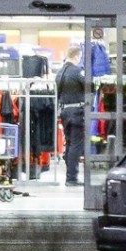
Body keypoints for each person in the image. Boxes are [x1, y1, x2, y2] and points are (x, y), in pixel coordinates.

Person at [56, 46, 86, 186]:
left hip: (65, 112)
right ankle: (72, 178)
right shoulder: (76, 71)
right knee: (76, 144)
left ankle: (70, 176)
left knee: (69, 143)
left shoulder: (60, 72)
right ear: (76, 56)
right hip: (76, 112)